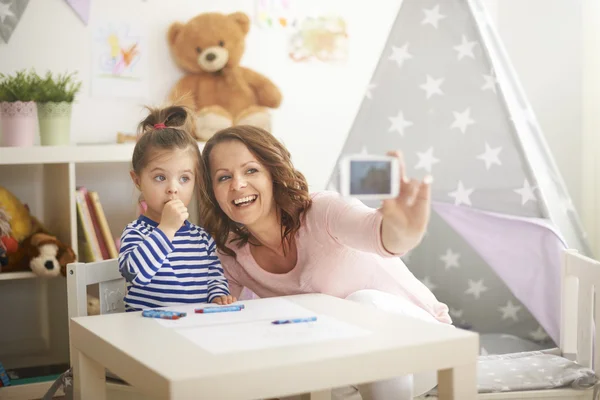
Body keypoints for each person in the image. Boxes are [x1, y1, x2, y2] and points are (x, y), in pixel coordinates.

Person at [196, 125, 452, 399]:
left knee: (362, 304)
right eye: (223, 177)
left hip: (423, 346)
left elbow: (377, 232)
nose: (237, 184)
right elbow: (219, 327)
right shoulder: (231, 254)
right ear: (213, 192)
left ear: (273, 174)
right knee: (285, 374)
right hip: (348, 365)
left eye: (250, 170)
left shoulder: (323, 211)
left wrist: (404, 231)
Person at [118, 105, 236, 311]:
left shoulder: (201, 238)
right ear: (137, 180)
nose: (173, 188)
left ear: (195, 181)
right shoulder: (135, 233)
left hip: (191, 330)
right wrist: (167, 229)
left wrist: (218, 296)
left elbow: (214, 278)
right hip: (147, 331)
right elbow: (135, 275)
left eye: (184, 178)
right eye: (160, 177)